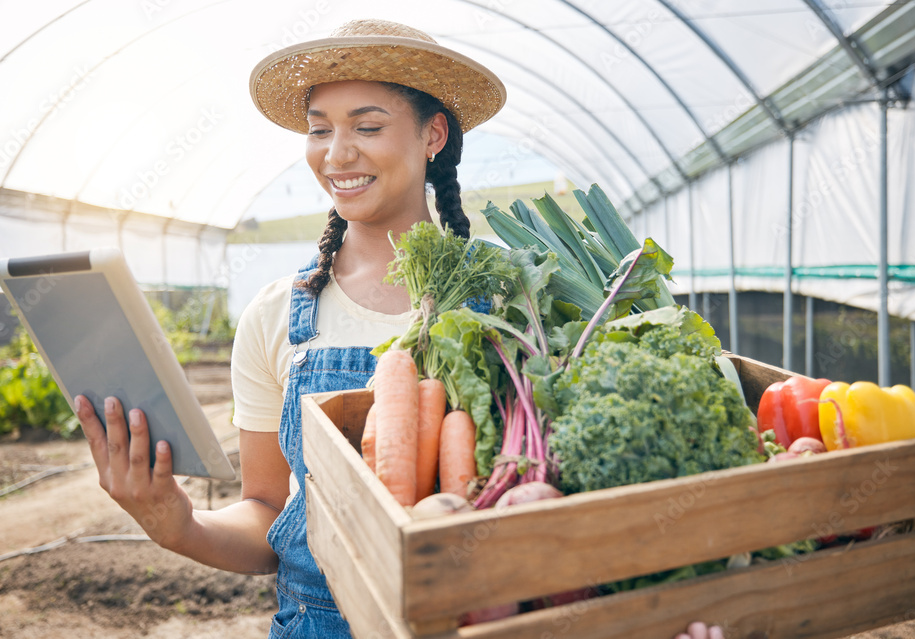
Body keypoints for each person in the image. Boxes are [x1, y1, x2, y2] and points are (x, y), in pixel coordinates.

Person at [74, 18, 725, 639]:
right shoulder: (277, 316)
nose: (337, 153)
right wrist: (177, 523)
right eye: (319, 128)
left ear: (433, 135)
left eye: (368, 125)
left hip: (479, 616)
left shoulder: (512, 301)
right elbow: (269, 511)